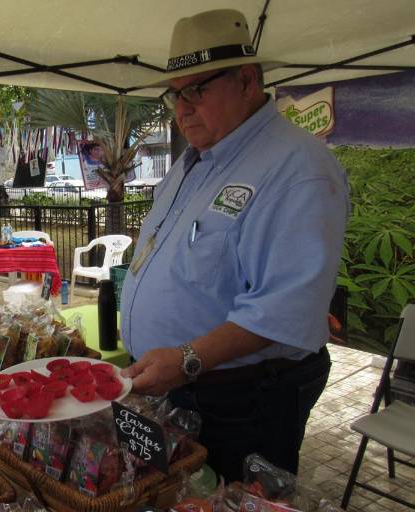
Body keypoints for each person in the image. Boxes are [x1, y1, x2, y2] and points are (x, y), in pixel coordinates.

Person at [119, 9, 349, 482]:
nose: (182, 108)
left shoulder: (298, 168)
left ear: (246, 81)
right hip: (177, 388)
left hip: (240, 401)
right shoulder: (195, 160)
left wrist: (185, 359)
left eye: (196, 90)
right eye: (174, 94)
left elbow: (287, 307)